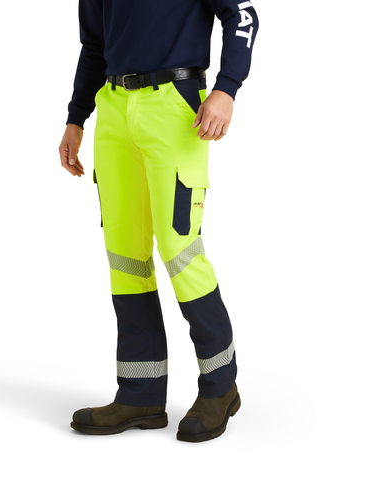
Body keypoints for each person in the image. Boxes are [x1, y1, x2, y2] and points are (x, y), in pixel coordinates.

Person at [58, 0, 258, 443]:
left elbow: (242, 15)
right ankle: (140, 393)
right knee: (125, 256)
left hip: (175, 107)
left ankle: (220, 386)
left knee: (180, 250)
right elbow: (94, 46)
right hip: (113, 110)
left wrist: (226, 88)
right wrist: (76, 117)